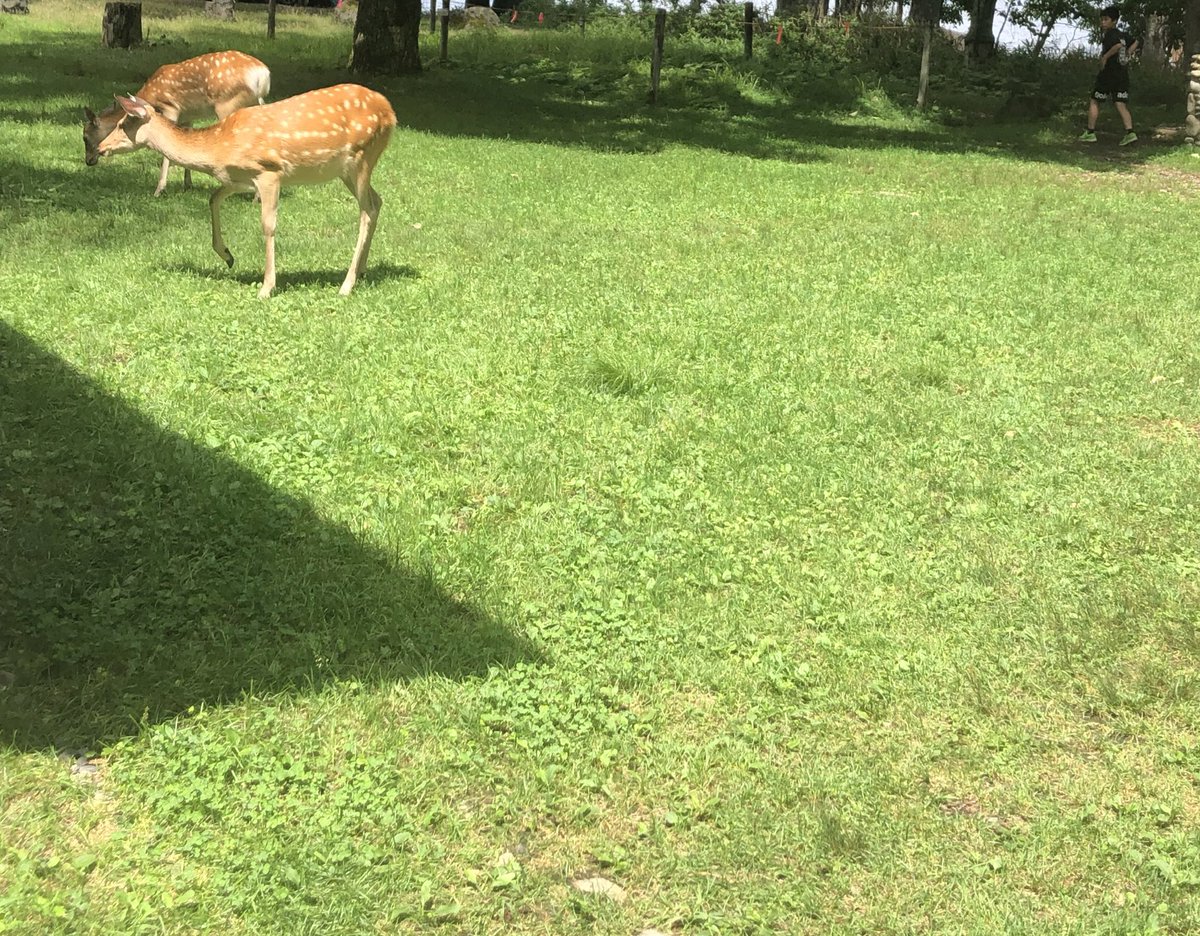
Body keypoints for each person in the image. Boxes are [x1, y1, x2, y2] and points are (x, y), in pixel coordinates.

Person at [1079, 5, 1137, 145]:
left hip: (1108, 74)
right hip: (1122, 74)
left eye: (1106, 19)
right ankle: (1130, 133)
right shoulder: (1123, 35)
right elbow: (1136, 41)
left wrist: (1105, 57)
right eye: (1102, 20)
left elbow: (1117, 46)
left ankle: (1090, 132)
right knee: (1120, 103)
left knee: (1095, 100)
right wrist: (1128, 53)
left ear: (1114, 21)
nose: (1103, 22)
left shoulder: (1110, 34)